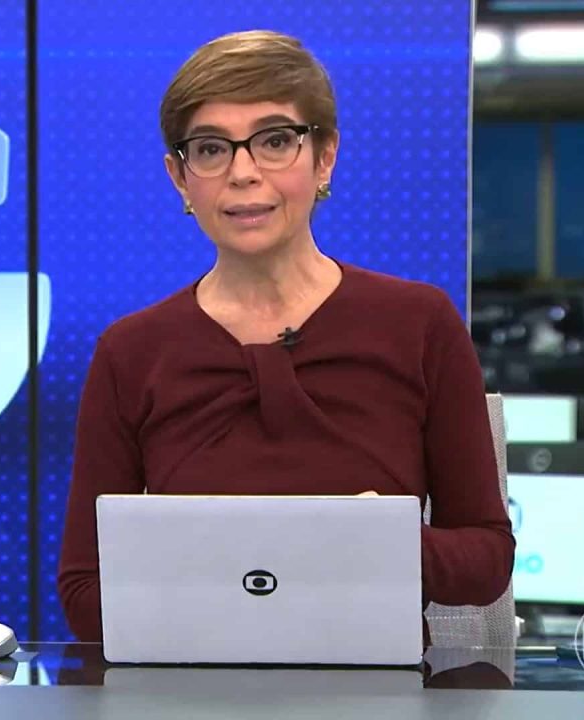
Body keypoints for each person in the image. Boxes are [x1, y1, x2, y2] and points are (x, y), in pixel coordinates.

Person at [56, 30, 515, 643]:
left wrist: (382, 546)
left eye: (275, 141)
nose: (243, 174)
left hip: (378, 684)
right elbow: (84, 592)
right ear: (180, 178)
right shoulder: (131, 351)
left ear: (324, 157)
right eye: (211, 149)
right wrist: (236, 569)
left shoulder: (420, 323)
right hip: (186, 682)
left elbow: (486, 562)